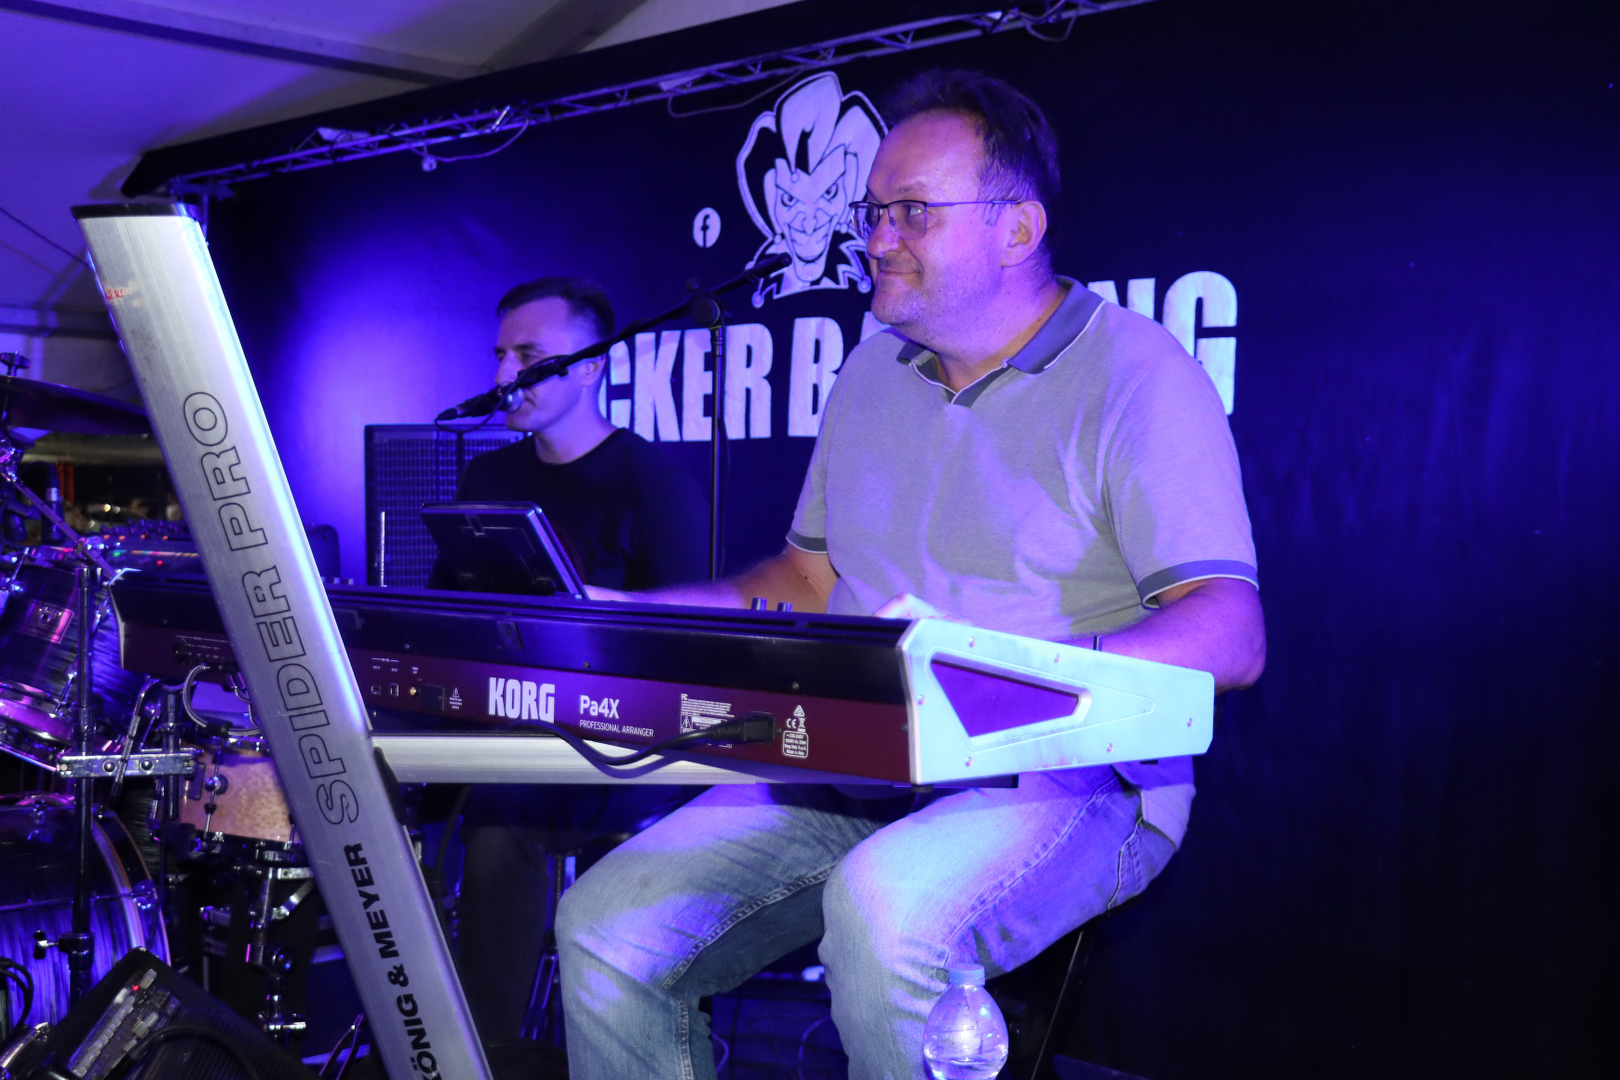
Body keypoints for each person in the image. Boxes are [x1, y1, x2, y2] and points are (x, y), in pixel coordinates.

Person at [555, 71, 1265, 1079]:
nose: (879, 238)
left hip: (1072, 774)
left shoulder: (1138, 373)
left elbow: (1230, 633)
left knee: (886, 914)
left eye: (914, 212)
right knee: (604, 928)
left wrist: (1006, 677)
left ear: (1018, 229)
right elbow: (806, 581)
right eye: (874, 212)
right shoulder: (867, 372)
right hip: (857, 755)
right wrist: (630, 617)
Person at [436, 277, 708, 1043]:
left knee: (504, 812)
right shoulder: (488, 478)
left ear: (591, 366)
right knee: (465, 793)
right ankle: (471, 1050)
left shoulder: (655, 482)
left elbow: (685, 647)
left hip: (624, 746)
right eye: (500, 355)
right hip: (510, 730)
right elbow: (448, 612)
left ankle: (525, 1047)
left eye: (530, 357)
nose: (504, 376)